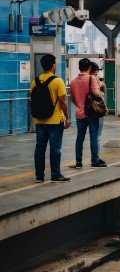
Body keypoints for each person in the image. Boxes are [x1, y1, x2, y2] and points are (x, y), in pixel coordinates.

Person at [29, 53, 71, 182]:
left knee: (40, 148)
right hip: (55, 121)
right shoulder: (58, 81)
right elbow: (63, 101)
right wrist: (67, 118)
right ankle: (55, 174)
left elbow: (33, 100)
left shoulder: (34, 82)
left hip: (40, 121)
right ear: (53, 66)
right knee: (55, 148)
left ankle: (39, 176)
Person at [70, 58, 107, 169]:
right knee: (94, 137)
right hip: (91, 113)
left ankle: (78, 162)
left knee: (80, 137)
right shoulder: (91, 78)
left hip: (80, 113)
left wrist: (80, 105)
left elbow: (72, 98)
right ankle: (95, 161)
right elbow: (96, 93)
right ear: (89, 68)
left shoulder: (73, 81)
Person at [90, 62, 106, 157]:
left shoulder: (79, 80)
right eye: (96, 74)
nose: (96, 76)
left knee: (83, 137)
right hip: (96, 111)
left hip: (84, 111)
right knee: (97, 136)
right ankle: (95, 158)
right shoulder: (94, 80)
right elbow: (99, 93)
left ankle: (79, 160)